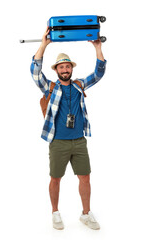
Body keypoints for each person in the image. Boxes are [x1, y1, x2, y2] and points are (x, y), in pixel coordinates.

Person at [30, 27, 107, 230]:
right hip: (58, 141)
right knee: (56, 178)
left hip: (79, 140)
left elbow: (99, 73)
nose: (65, 70)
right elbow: (35, 72)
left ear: (71, 69)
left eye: (67, 67)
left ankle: (85, 213)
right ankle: (55, 213)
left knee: (85, 177)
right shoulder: (51, 87)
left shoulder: (79, 86)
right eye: (61, 68)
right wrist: (44, 44)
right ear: (56, 70)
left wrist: (98, 48)